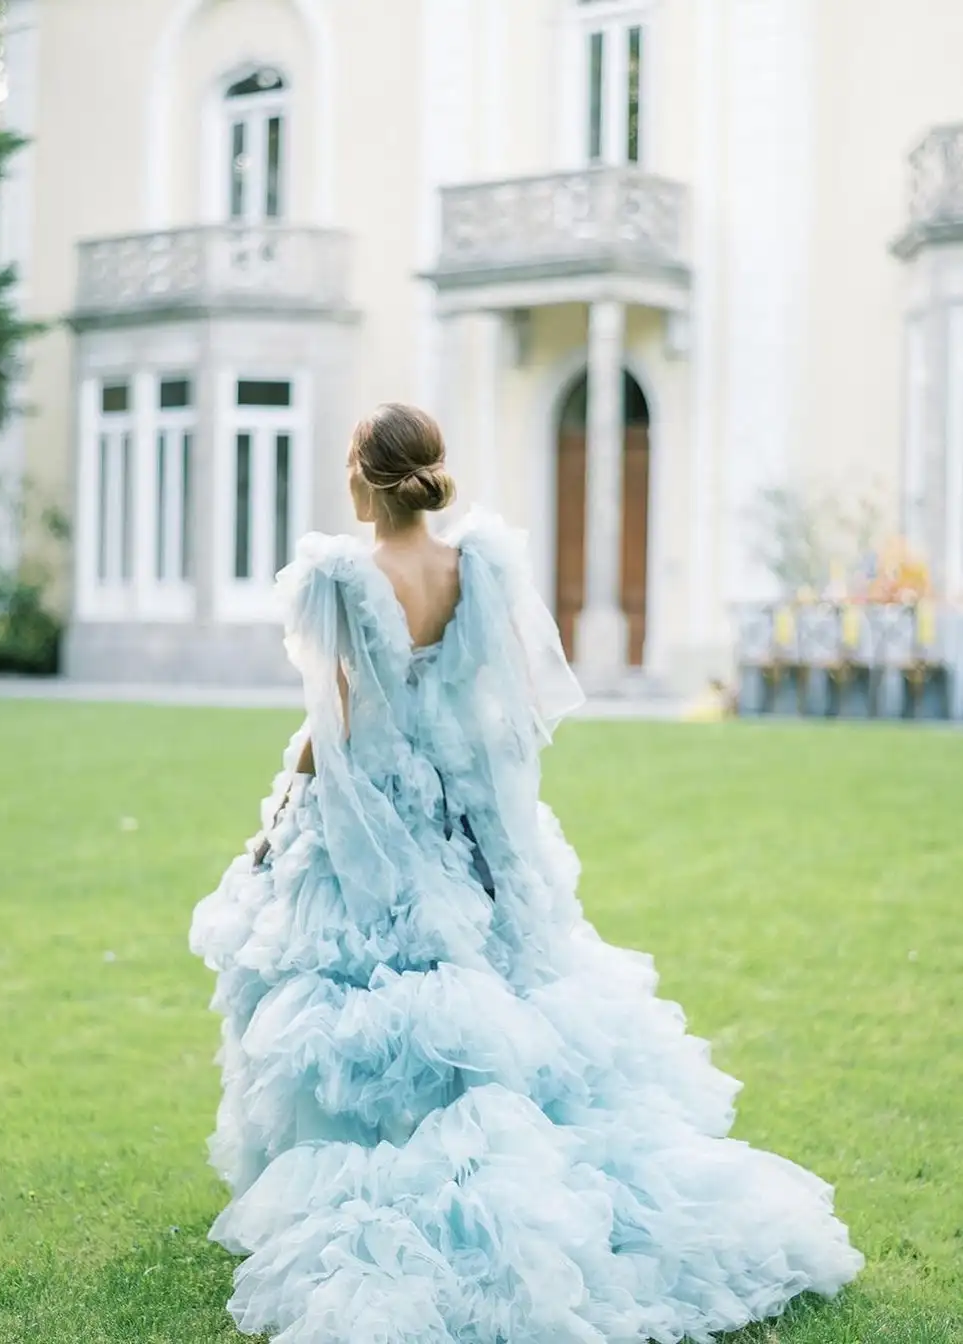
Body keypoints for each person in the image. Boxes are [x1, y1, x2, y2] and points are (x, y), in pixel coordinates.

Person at [190, 404, 862, 1344]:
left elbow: (333, 718)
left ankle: (392, 1159)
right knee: (500, 975)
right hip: (466, 808)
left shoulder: (343, 575)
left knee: (361, 983)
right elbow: (495, 701)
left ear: (360, 474)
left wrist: (277, 819)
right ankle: (513, 1136)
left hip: (380, 809)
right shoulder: (474, 565)